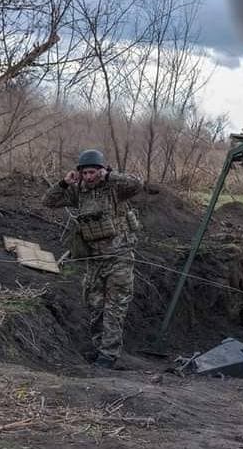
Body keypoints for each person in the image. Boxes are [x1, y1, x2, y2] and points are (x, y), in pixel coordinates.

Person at [43, 149, 144, 369]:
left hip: (119, 257)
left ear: (101, 170)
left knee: (115, 307)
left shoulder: (115, 188)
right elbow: (48, 201)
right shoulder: (79, 191)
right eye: (85, 173)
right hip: (94, 260)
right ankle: (99, 349)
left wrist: (110, 176)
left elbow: (137, 184)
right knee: (95, 305)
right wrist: (64, 183)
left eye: (93, 172)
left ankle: (109, 355)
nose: (89, 177)